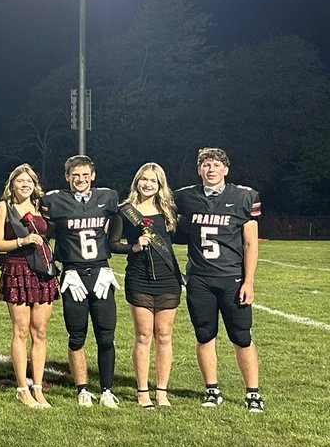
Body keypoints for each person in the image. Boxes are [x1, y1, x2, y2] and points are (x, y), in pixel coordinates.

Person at [174, 147, 264, 412]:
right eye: (205, 165)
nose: (210, 169)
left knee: (242, 336)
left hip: (232, 277)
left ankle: (252, 392)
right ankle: (211, 389)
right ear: (199, 170)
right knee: (204, 335)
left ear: (226, 169)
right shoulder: (185, 197)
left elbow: (250, 244)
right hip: (200, 278)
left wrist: (249, 281)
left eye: (215, 165)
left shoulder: (244, 197)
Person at [42, 155, 120, 407]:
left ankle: (107, 389)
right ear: (67, 177)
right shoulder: (55, 201)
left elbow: (121, 224)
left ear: (93, 176)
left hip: (101, 273)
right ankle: (83, 389)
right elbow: (43, 235)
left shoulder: (108, 197)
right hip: (73, 274)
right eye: (75, 175)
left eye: (85, 174)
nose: (81, 179)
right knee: (77, 336)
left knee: (106, 337)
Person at [108, 163, 182, 408]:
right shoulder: (125, 210)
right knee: (143, 335)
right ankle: (142, 391)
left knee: (164, 336)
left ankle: (161, 391)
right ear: (136, 181)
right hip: (139, 278)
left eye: (153, 180)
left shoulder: (168, 210)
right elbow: (113, 244)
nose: (148, 184)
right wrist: (134, 247)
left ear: (160, 184)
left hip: (167, 280)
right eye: (144, 179)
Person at [0, 164, 58, 409]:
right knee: (20, 330)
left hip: (42, 272)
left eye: (28, 181)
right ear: (12, 185)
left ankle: (38, 387)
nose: (25, 185)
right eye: (20, 182)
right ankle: (22, 388)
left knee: (39, 331)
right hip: (17, 270)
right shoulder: (4, 207)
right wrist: (22, 240)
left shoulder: (41, 207)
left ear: (34, 184)